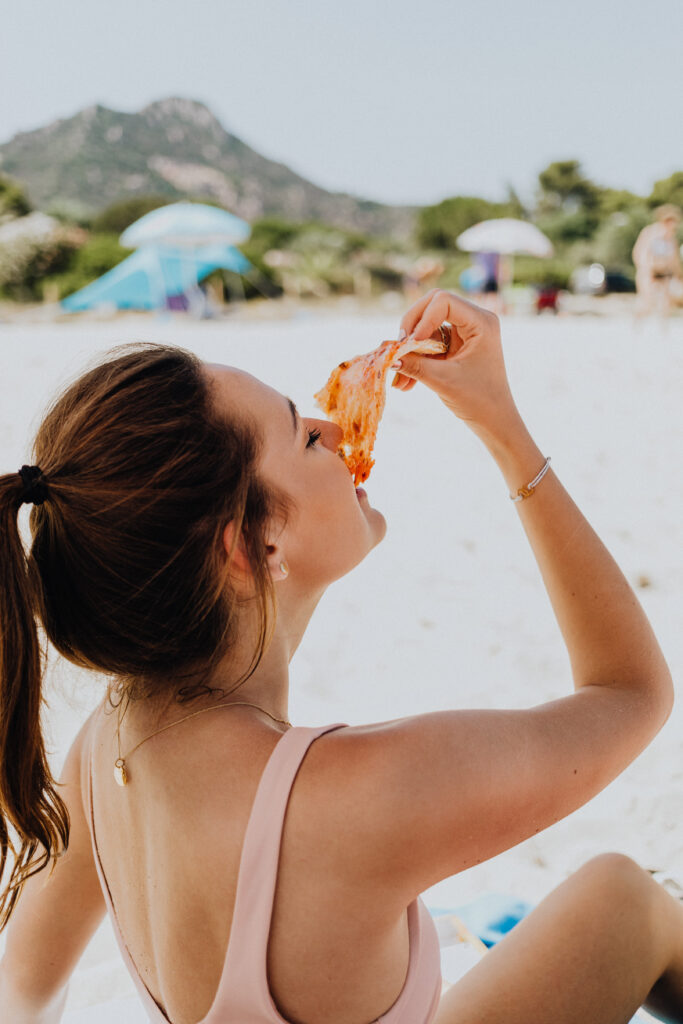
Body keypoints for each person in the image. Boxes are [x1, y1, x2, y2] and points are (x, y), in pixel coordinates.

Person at [0, 291, 681, 1024]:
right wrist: (502, 426)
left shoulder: (108, 745)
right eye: (305, 438)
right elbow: (629, 694)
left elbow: (22, 991)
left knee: (610, 896)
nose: (333, 426)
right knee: (629, 903)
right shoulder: (350, 795)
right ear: (250, 545)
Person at [632, 204, 682, 320]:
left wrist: (678, 274)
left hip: (664, 272)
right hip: (648, 271)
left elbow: (674, 259)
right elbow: (639, 252)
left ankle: (663, 332)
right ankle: (637, 328)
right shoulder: (650, 233)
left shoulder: (671, 239)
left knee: (665, 302)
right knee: (646, 300)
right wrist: (646, 269)